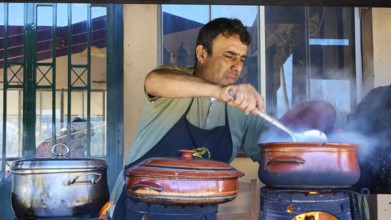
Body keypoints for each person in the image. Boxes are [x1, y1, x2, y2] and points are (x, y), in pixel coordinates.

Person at [110, 17, 268, 220]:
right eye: (229, 56)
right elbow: (153, 81)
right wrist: (220, 91)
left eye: (242, 59)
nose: (237, 66)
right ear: (202, 53)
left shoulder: (242, 108)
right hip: (140, 210)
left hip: (201, 214)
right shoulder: (173, 81)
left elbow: (270, 153)